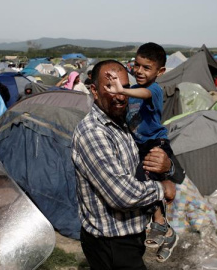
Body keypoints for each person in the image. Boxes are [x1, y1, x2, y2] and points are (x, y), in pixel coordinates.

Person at [71, 59, 176, 269]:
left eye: (126, 88)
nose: (121, 96)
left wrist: (167, 166)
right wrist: (162, 188)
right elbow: (121, 195)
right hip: (111, 243)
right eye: (111, 88)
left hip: (131, 236)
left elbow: (148, 163)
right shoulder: (94, 133)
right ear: (94, 90)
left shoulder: (124, 123)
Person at [104, 42, 183, 263]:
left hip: (155, 143)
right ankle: (166, 232)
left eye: (147, 68)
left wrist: (121, 89)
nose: (139, 71)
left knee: (147, 183)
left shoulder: (154, 90)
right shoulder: (133, 86)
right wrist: (114, 80)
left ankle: (161, 226)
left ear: (160, 72)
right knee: (142, 184)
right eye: (137, 65)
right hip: (139, 145)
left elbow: (145, 92)